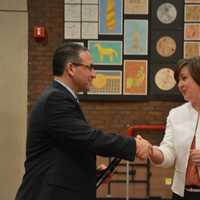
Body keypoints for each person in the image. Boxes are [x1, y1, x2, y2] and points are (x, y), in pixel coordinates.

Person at [15, 43, 151, 200]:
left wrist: (90, 175)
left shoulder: (60, 98)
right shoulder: (55, 99)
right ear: (71, 68)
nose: (94, 74)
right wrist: (133, 145)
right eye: (90, 67)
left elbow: (67, 149)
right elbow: (88, 138)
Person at [141, 56, 200, 200]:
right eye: (178, 80)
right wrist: (152, 151)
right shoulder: (175, 114)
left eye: (184, 78)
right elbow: (169, 153)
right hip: (181, 194)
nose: (180, 84)